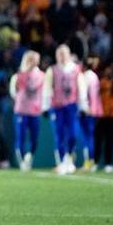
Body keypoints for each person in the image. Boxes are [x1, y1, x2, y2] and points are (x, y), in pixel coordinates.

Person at [44, 45, 81, 174]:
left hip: (71, 105)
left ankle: (69, 158)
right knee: (59, 135)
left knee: (73, 134)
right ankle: (60, 161)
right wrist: (46, 106)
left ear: (69, 54)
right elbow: (47, 88)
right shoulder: (52, 70)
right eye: (59, 54)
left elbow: (80, 86)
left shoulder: (76, 69)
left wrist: (83, 104)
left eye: (64, 53)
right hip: (57, 106)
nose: (61, 56)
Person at [10, 50, 45, 171]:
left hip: (35, 111)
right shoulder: (18, 75)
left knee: (34, 139)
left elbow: (45, 93)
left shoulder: (42, 76)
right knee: (20, 137)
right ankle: (23, 161)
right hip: (21, 110)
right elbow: (13, 92)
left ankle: (29, 156)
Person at [95, 62, 113, 173]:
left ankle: (108, 163)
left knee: (110, 141)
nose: (108, 72)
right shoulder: (101, 82)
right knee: (98, 140)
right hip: (101, 115)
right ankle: (95, 162)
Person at [78, 57, 103, 171]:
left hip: (86, 111)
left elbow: (85, 95)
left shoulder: (85, 77)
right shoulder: (94, 76)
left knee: (87, 137)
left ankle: (88, 162)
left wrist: (85, 108)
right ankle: (91, 161)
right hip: (94, 111)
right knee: (90, 136)